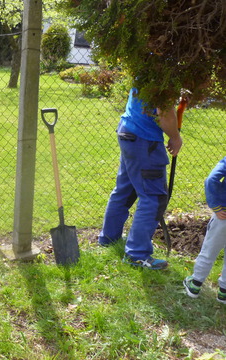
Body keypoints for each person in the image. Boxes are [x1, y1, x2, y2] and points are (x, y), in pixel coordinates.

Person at [97, 88, 183, 269]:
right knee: (154, 197)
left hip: (129, 131)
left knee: (125, 190)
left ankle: (109, 239)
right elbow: (164, 113)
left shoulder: (146, 65)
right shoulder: (162, 72)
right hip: (144, 139)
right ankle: (136, 254)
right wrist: (175, 137)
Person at [183, 157, 226, 303]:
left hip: (223, 216)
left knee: (209, 250)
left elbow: (211, 179)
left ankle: (195, 284)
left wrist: (216, 205)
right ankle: (223, 292)